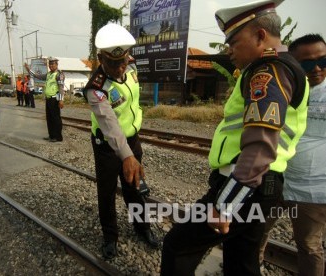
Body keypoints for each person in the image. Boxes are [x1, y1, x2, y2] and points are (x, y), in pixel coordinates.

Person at [160, 0, 310, 275]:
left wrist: (225, 204)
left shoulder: (268, 71)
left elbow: (261, 142)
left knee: (177, 245)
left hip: (245, 184)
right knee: (241, 261)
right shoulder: (286, 68)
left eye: (234, 41)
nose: (228, 50)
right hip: (261, 185)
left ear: (260, 35)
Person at [83, 23, 159, 260]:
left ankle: (142, 226)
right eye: (112, 63)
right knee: (106, 193)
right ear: (100, 59)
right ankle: (110, 237)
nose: (119, 68)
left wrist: (132, 150)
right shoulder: (95, 88)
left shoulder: (132, 66)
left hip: (133, 140)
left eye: (122, 61)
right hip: (107, 146)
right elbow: (110, 126)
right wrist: (127, 156)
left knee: (135, 188)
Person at [259, 34, 326, 276]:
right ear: (295, 64)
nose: (316, 68)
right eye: (307, 64)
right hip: (275, 180)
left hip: (312, 191)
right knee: (258, 232)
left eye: (323, 60)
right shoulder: (281, 88)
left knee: (309, 247)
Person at [24, 57, 64, 142]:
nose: (51, 65)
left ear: (57, 65)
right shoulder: (48, 74)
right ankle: (51, 135)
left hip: (55, 99)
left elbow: (61, 88)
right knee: (49, 118)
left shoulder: (59, 74)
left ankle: (58, 137)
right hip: (48, 99)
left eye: (53, 64)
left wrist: (61, 100)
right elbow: (36, 76)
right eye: (50, 64)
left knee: (56, 119)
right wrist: (28, 69)